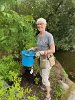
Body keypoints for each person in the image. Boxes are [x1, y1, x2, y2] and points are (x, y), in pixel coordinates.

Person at [31, 18, 55, 100]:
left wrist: (42, 52)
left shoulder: (49, 36)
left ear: (45, 25)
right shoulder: (38, 36)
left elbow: (53, 50)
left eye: (41, 23)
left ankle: (48, 96)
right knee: (42, 74)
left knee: (44, 78)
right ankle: (46, 86)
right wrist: (33, 48)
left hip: (47, 60)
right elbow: (39, 47)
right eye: (38, 24)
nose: (39, 25)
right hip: (40, 59)